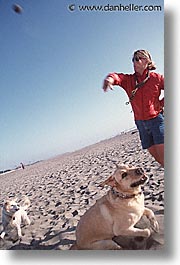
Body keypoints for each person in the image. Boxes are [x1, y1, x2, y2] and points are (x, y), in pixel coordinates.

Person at [102, 49, 164, 167]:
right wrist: (110, 79)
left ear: (148, 61)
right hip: (141, 124)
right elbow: (117, 77)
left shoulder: (157, 78)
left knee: (166, 159)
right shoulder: (129, 80)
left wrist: (161, 104)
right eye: (134, 59)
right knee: (160, 161)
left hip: (156, 121)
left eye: (140, 58)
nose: (136, 61)